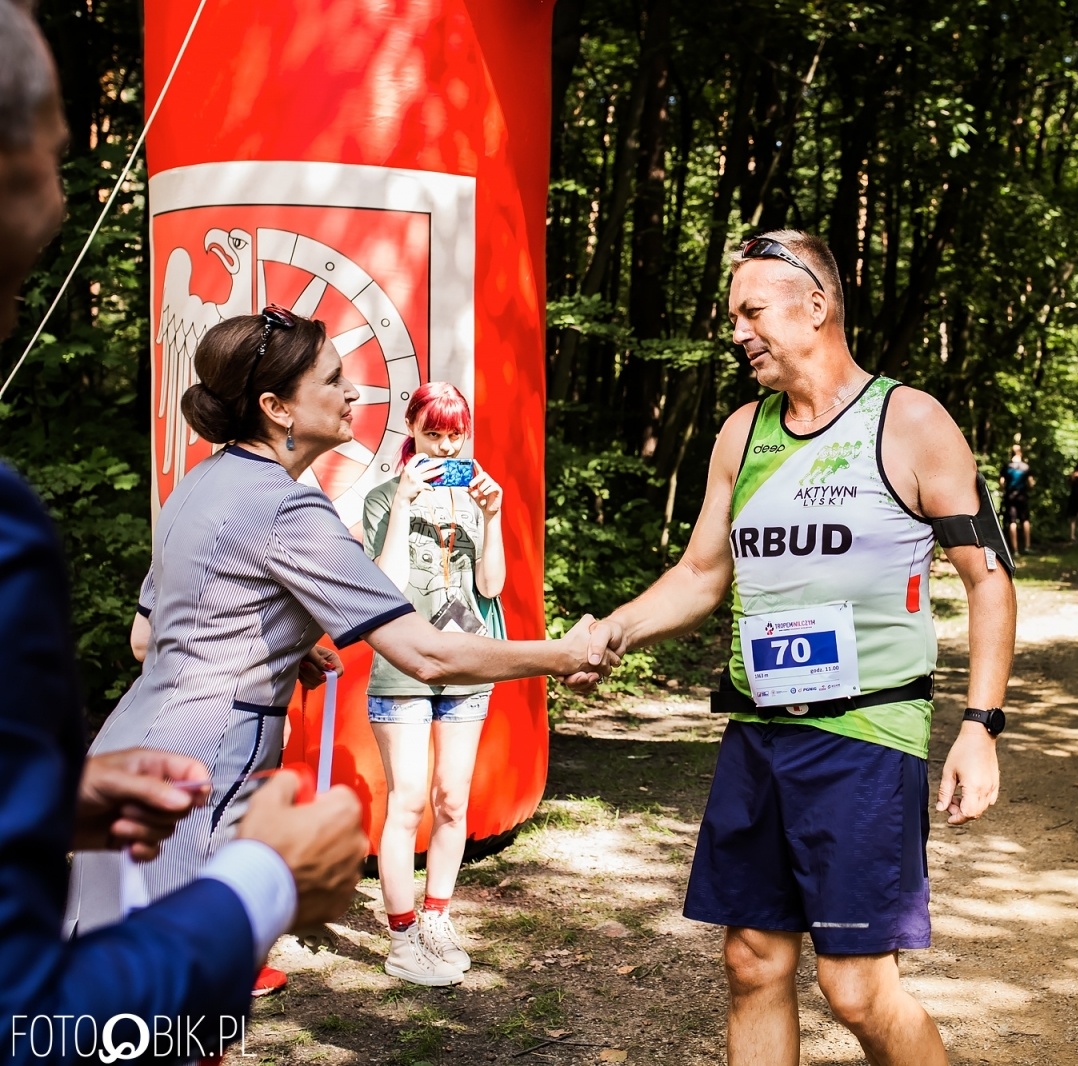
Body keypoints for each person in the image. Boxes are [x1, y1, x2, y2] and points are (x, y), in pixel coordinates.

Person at [1, 2, 368, 1054]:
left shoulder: (204, 487)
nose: (64, 200)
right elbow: (32, 1021)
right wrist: (264, 883)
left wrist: (49, 801)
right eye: (55, 158)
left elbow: (147, 632)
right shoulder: (8, 535)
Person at [71, 308, 613, 990]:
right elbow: (427, 655)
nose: (353, 393)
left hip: (127, 756)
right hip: (197, 781)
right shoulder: (287, 508)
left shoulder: (202, 484)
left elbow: (147, 637)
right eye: (333, 379)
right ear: (276, 407)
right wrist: (562, 655)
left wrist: (277, 648)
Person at [584, 230, 1015, 1066]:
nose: (737, 331)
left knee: (855, 987)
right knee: (751, 961)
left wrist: (981, 725)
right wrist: (613, 628)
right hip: (758, 736)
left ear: (814, 306)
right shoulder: (742, 433)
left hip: (864, 738)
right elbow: (702, 574)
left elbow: (987, 577)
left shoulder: (911, 420)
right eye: (733, 315)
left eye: (751, 311)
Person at [363, 383, 507, 985]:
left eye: (456, 435)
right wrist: (402, 502)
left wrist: (493, 516)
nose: (446, 448)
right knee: (409, 801)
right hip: (402, 667)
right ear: (411, 430)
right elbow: (386, 587)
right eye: (433, 434)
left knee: (453, 799)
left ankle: (437, 917)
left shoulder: (477, 498)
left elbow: (493, 586)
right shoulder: (380, 498)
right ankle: (400, 934)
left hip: (469, 663)